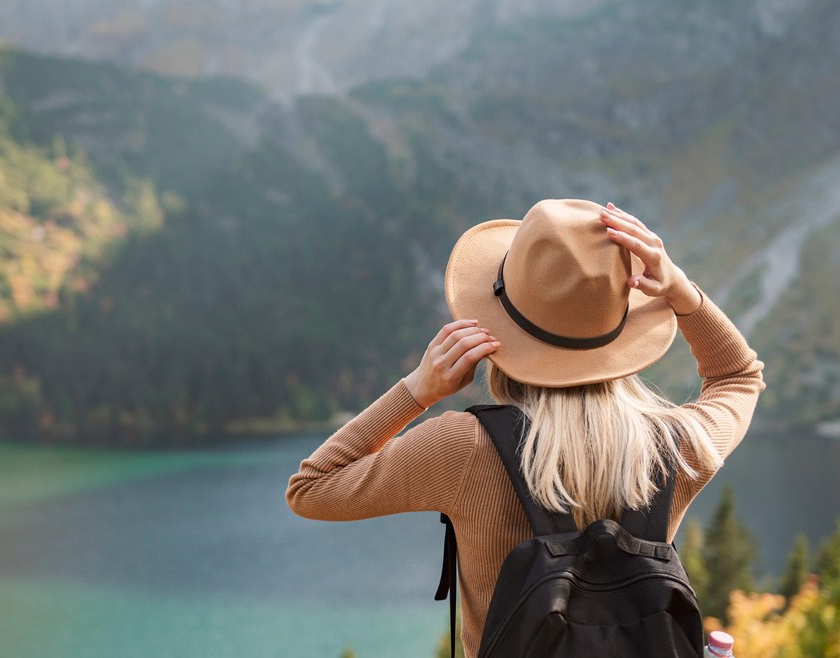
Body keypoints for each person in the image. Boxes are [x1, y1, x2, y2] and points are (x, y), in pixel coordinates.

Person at [286, 198, 765, 657]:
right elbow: (739, 377)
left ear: (499, 330)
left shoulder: (463, 447)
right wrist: (682, 292)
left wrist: (417, 390)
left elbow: (311, 488)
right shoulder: (679, 448)